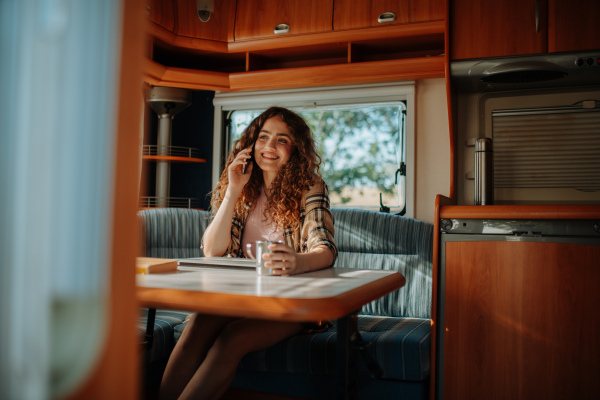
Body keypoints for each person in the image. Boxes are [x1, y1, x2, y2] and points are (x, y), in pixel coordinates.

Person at [159, 106, 338, 400]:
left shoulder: (310, 187)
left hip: (294, 304)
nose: (269, 146)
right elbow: (212, 251)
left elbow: (325, 249)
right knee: (199, 323)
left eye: (282, 139)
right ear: (251, 144)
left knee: (233, 337)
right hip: (244, 297)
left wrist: (298, 262)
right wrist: (232, 189)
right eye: (263, 137)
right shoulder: (244, 189)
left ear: (295, 148)